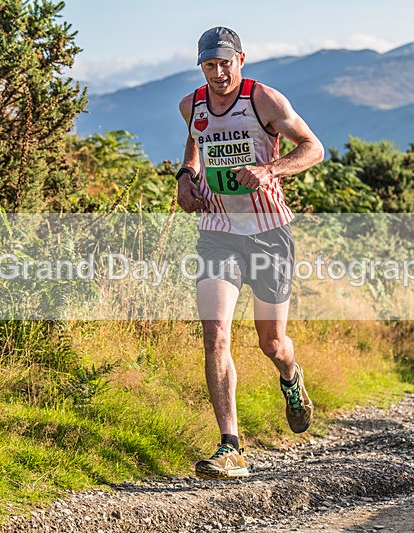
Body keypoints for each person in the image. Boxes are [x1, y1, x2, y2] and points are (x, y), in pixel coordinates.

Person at [175, 27, 324, 480]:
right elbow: (197, 142)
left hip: (268, 233)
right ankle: (230, 446)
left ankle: (292, 378)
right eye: (209, 65)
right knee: (216, 333)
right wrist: (185, 175)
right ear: (201, 65)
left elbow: (313, 148)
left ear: (241, 60)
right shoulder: (192, 105)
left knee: (271, 343)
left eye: (225, 63)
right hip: (218, 232)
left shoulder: (266, 101)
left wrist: (270, 169)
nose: (218, 73)